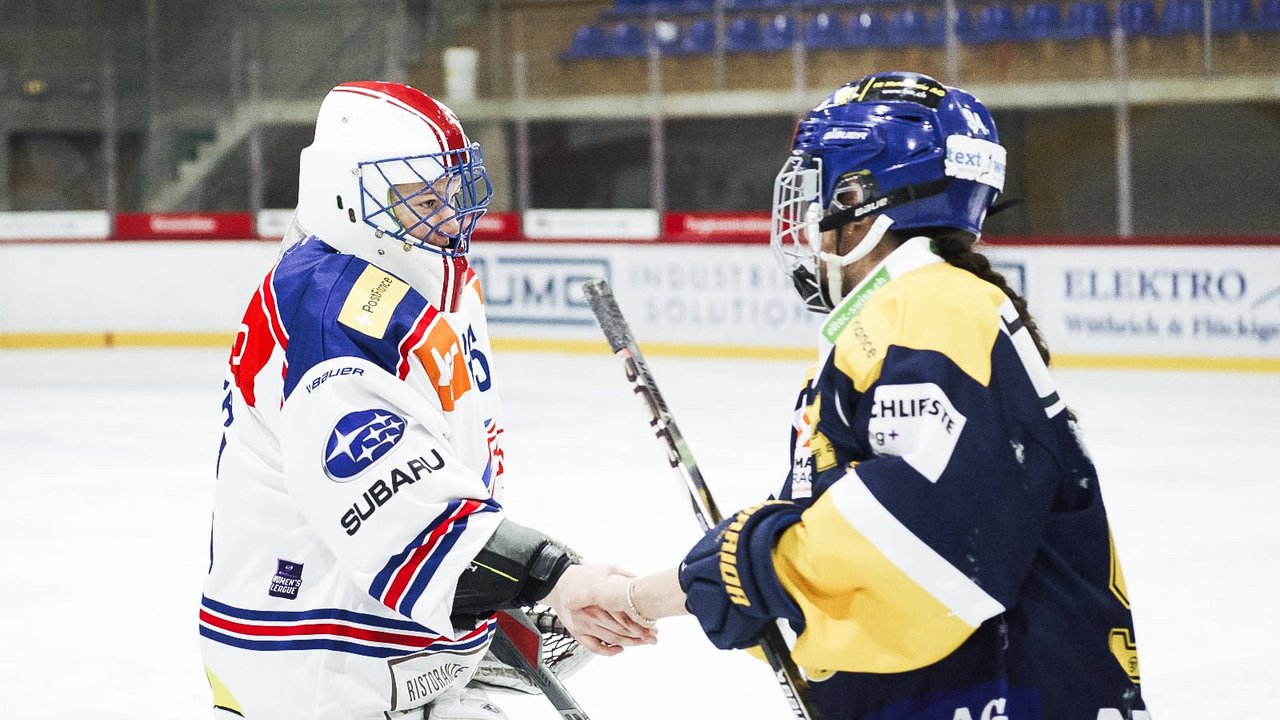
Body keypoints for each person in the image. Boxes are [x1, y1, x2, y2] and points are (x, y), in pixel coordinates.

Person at [590, 71, 1151, 720]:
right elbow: (841, 530)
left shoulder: (933, 308)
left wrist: (734, 573)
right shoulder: (906, 314)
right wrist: (651, 593)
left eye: (817, 193)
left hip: (995, 694)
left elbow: (923, 544)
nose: (804, 222)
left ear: (861, 201)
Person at [201, 81, 653, 720]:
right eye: (419, 197)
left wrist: (507, 584)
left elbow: (444, 478)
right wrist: (555, 577)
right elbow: (401, 517)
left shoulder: (428, 283)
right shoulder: (331, 316)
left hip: (382, 633)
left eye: (451, 192)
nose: (448, 216)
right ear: (343, 196)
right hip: (316, 663)